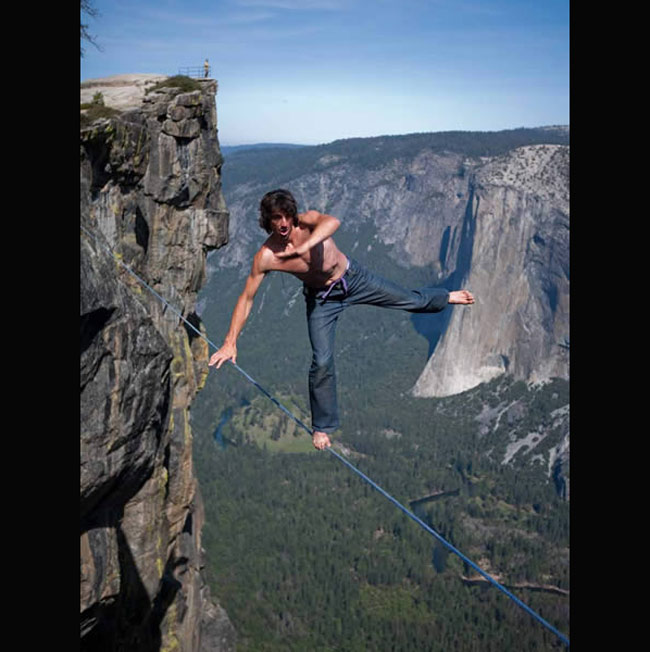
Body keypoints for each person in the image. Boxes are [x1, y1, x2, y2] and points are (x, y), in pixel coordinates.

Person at [208, 189, 475, 450]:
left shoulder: (308, 222)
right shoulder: (266, 257)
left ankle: (445, 296)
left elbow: (333, 221)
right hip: (322, 300)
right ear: (267, 221)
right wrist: (230, 342)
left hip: (354, 279)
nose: (283, 223)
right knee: (321, 361)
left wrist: (308, 245)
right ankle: (322, 426)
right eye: (276, 218)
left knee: (410, 300)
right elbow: (246, 298)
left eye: (286, 215)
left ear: (292, 213)